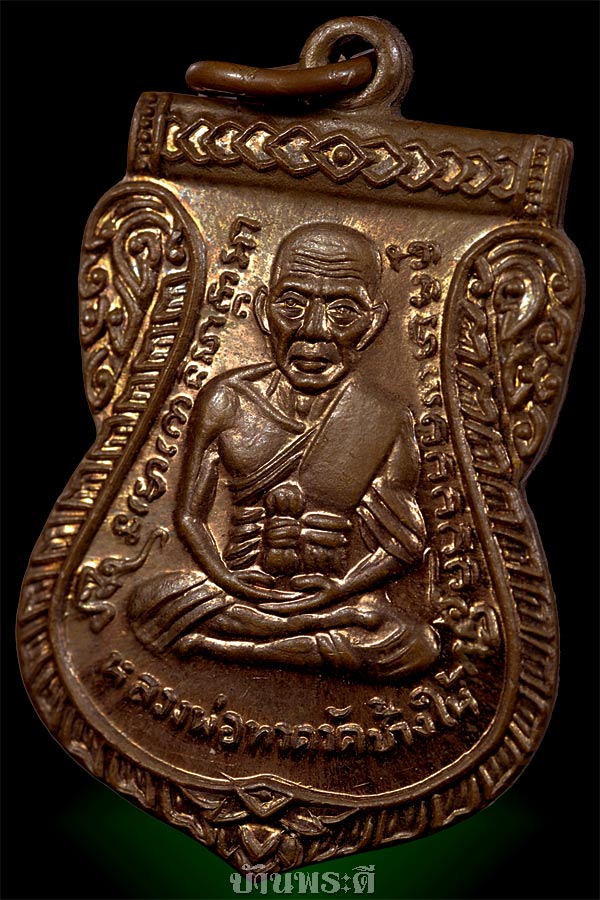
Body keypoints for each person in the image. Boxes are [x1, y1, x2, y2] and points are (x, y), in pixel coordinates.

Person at [129, 223, 439, 681]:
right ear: (262, 310)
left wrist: (337, 591)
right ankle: (293, 639)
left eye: (343, 311)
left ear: (373, 323)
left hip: (328, 598)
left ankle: (233, 647)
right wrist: (227, 579)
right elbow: (190, 516)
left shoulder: (383, 415)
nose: (313, 332)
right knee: (148, 601)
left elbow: (402, 544)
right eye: (292, 304)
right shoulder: (227, 399)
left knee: (417, 644)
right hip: (238, 589)